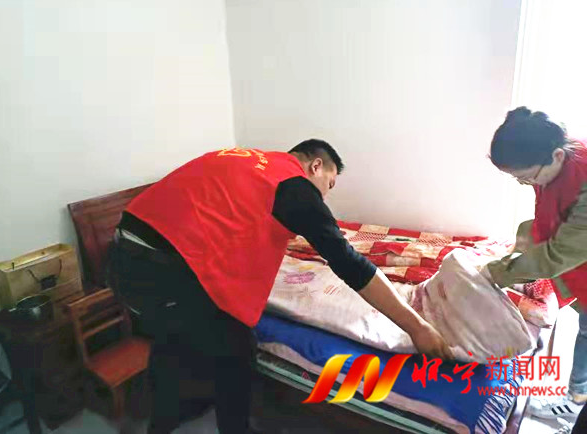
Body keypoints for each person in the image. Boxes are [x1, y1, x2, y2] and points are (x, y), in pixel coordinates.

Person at [108, 139, 453, 434]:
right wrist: (416, 327)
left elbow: (224, 223)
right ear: (316, 166)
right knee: (236, 343)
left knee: (175, 336)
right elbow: (349, 262)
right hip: (154, 266)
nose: (325, 196)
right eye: (329, 184)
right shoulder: (293, 186)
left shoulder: (247, 158)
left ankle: (171, 415)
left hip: (125, 248)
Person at [484, 107, 587, 424]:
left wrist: (496, 272)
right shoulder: (555, 158)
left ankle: (576, 402)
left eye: (527, 177)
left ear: (557, 156)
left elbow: (557, 253)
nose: (526, 183)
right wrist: (513, 256)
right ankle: (578, 395)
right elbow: (545, 222)